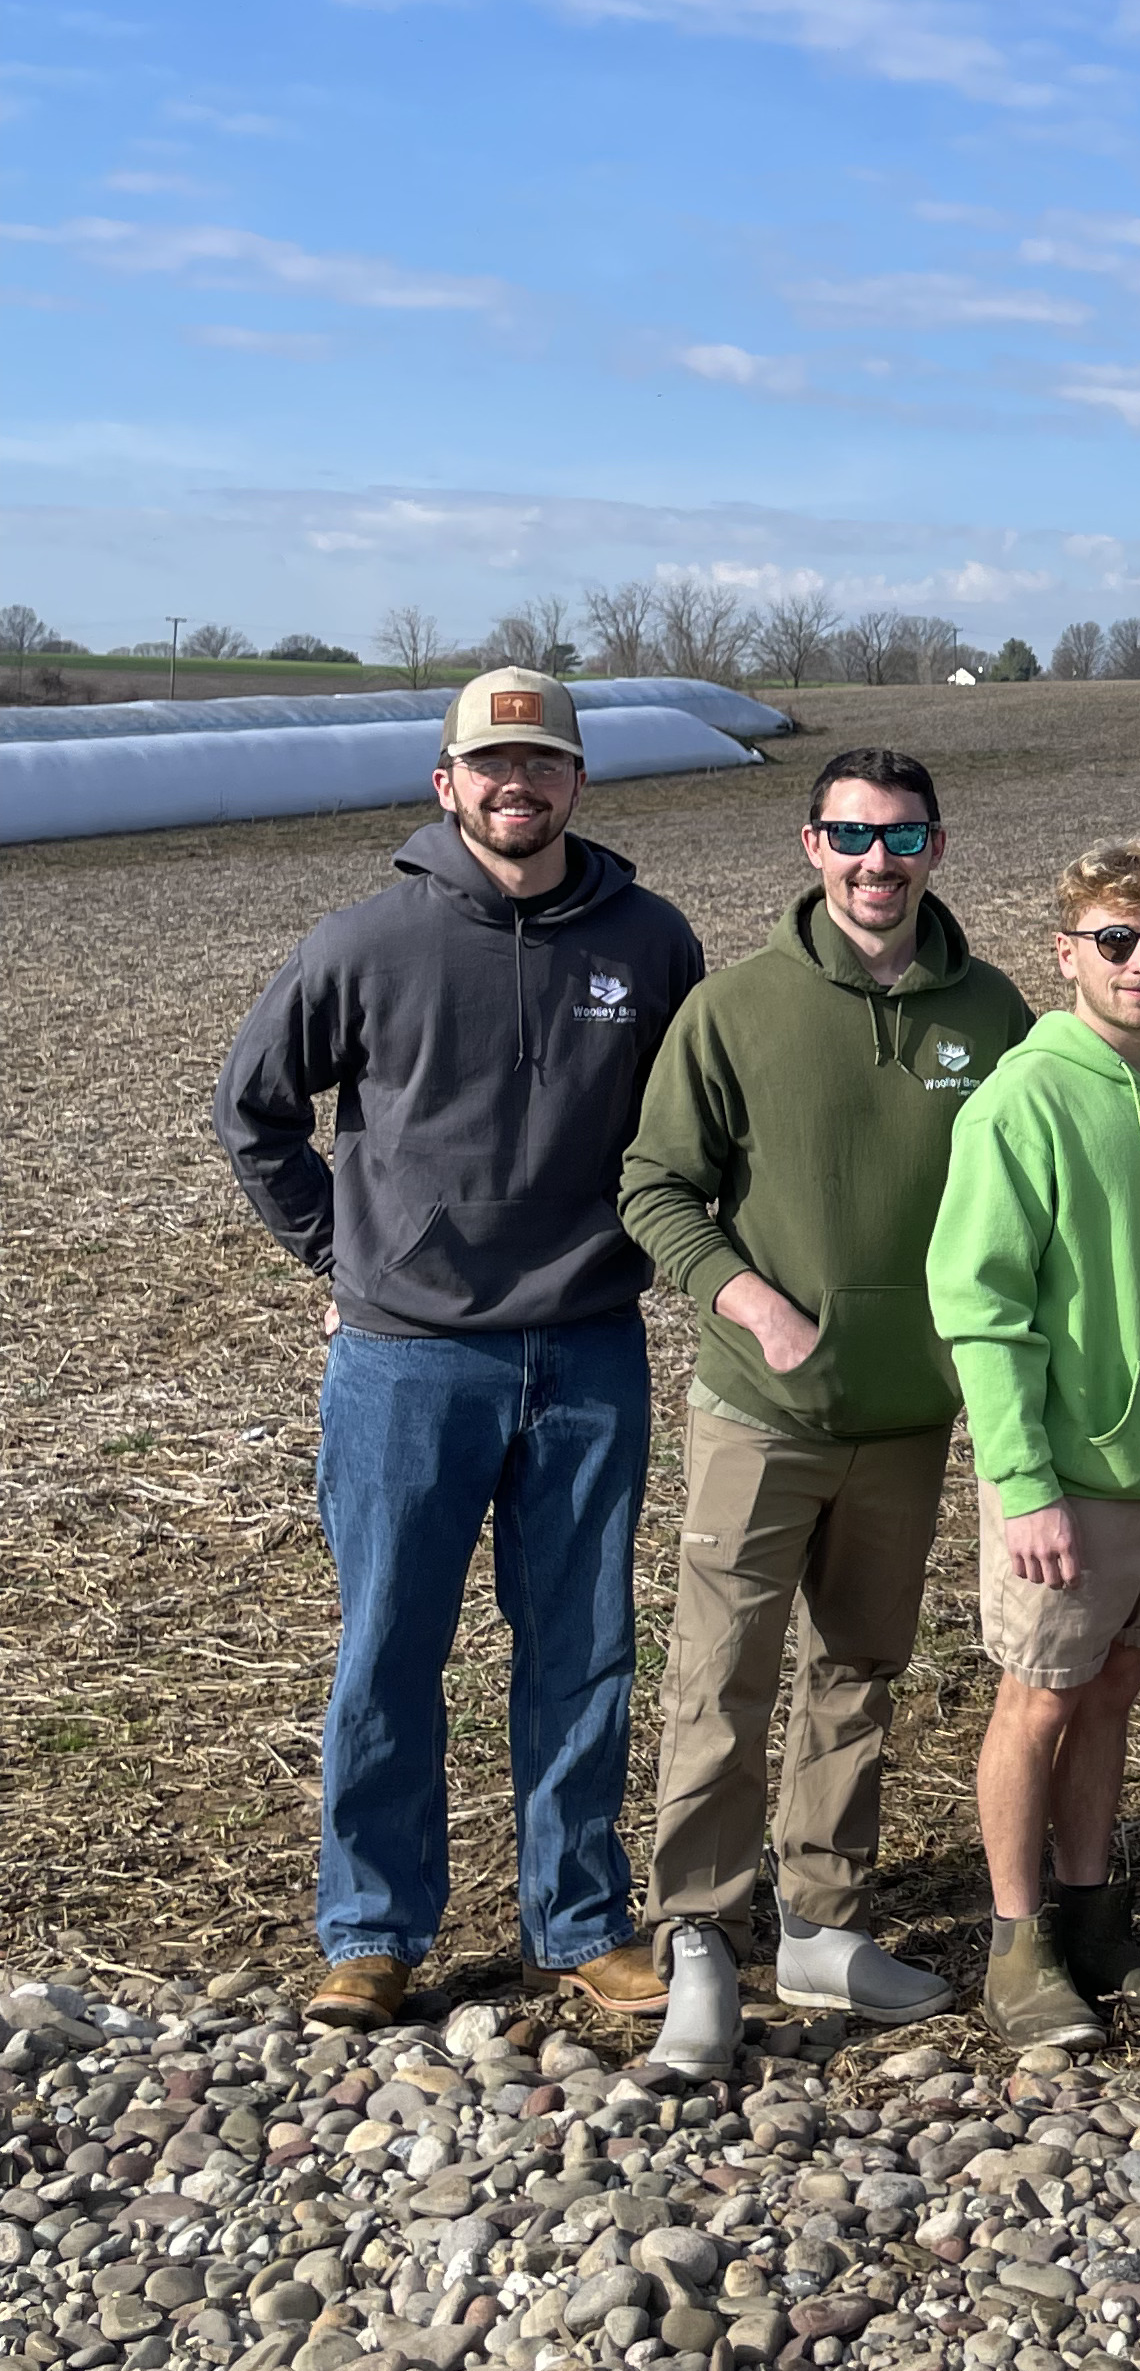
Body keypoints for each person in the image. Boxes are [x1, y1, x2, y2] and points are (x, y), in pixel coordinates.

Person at [211, 669, 703, 2029]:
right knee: (388, 1649)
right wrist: (342, 1256)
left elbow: (689, 1135)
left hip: (589, 1350)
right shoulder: (365, 941)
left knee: (583, 1648)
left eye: (543, 763)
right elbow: (253, 1113)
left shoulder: (651, 943)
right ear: (446, 784)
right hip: (408, 1364)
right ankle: (371, 1930)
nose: (517, 785)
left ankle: (581, 1921)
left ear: (578, 783)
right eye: (491, 765)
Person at [617, 747, 1032, 2075]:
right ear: (811, 847)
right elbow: (653, 1187)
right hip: (762, 1414)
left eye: (901, 839)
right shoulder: (737, 1010)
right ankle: (697, 1934)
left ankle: (824, 1920)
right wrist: (748, 1301)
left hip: (909, 1418)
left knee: (860, 1670)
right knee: (720, 1676)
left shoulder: (994, 1013)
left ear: (937, 849)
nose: (876, 863)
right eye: (851, 837)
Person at [928, 844, 1140, 2053]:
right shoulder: (1023, 1100)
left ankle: (1093, 1918)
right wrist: (1023, 1485)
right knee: (1036, 1702)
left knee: (1113, 1691)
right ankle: (1017, 1952)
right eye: (1115, 941)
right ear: (1065, 950)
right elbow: (980, 1304)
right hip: (1067, 1484)